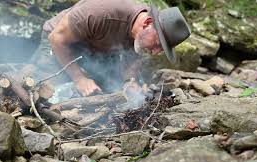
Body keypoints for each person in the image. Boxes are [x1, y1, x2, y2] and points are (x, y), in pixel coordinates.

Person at [28, 0, 190, 97]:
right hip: (60, 44)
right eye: (158, 44)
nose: (155, 52)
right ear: (147, 23)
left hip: (97, 52)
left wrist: (129, 81)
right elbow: (56, 39)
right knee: (46, 91)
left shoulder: (141, 33)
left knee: (111, 90)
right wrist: (79, 78)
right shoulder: (102, 12)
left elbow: (132, 57)